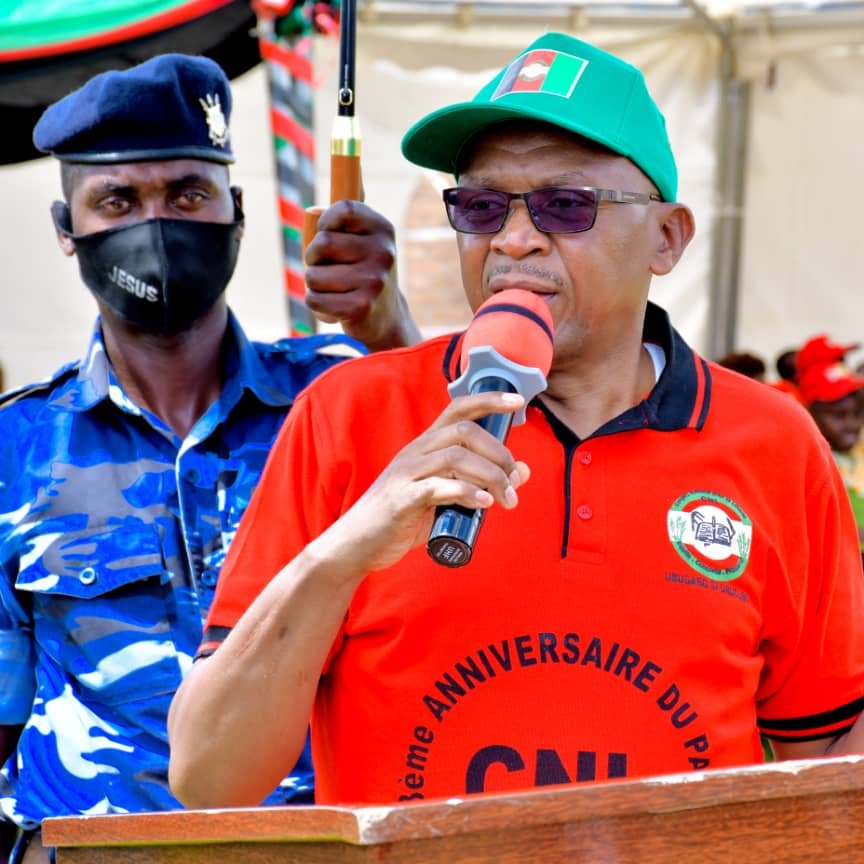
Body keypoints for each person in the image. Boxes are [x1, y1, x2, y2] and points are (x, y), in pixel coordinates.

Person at [168, 32, 864, 810]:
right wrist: (341, 557)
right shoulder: (347, 413)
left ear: (666, 238)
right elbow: (209, 779)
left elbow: (829, 752)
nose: (513, 238)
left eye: (566, 205)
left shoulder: (774, 442)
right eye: (481, 206)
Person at [0, 53, 420, 862]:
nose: (156, 223)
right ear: (65, 230)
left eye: (188, 194)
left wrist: (392, 329)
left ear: (238, 211)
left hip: (315, 846)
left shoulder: (334, 398)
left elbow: (471, 509)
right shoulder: (17, 449)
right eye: (117, 200)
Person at [795, 336, 864, 554]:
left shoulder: (857, 454)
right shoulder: (806, 465)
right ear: (810, 414)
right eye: (839, 416)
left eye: (858, 414)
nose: (852, 424)